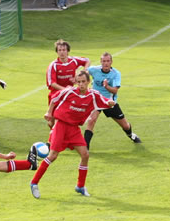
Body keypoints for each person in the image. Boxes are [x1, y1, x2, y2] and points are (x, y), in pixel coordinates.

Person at [30, 71, 115, 199]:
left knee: (85, 154)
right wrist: (49, 112)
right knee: (52, 156)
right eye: (78, 82)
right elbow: (54, 99)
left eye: (83, 82)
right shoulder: (69, 92)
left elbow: (103, 100)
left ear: (88, 82)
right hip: (61, 126)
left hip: (74, 129)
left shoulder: (93, 95)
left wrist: (109, 103)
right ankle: (34, 183)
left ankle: (80, 186)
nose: (81, 84)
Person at [83, 52, 142, 149]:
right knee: (91, 120)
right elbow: (84, 73)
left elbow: (115, 90)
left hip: (109, 102)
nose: (106, 63)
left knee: (125, 126)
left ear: (111, 62)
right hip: (96, 100)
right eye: (103, 61)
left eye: (108, 61)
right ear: (101, 62)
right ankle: (85, 148)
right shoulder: (94, 70)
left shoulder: (116, 74)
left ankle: (131, 135)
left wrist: (106, 86)